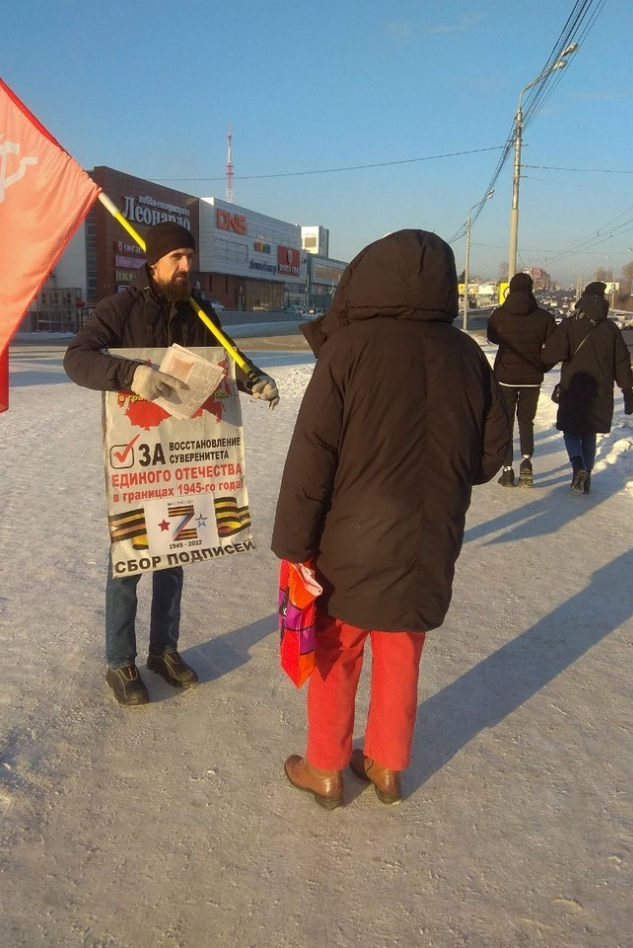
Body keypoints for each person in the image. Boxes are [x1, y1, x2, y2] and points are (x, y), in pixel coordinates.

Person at [271, 229, 510, 809]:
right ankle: (386, 764)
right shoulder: (466, 354)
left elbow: (313, 455)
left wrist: (294, 543)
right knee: (402, 648)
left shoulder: (349, 350)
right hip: (430, 536)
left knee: (338, 649)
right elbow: (488, 457)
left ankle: (326, 768)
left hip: (351, 538)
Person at [64, 220, 279, 706]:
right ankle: (120, 661)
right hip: (139, 458)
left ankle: (164, 650)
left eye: (190, 256)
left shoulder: (198, 310)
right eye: (177, 258)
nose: (187, 266)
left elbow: (229, 359)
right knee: (129, 560)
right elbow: (77, 359)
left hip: (185, 457)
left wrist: (254, 378)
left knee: (176, 555)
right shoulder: (118, 309)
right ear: (154, 262)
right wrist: (132, 374)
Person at [542, 286, 633, 494]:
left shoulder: (569, 325)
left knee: (571, 431)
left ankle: (577, 467)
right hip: (600, 391)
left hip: (573, 387)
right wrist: (627, 391)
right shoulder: (611, 329)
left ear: (583, 298)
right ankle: (588, 477)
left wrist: (538, 367)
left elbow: (551, 354)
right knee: (589, 434)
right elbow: (621, 360)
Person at [486, 272, 556, 487]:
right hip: (532, 379)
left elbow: (492, 337)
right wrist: (542, 366)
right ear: (531, 290)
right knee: (526, 422)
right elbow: (555, 346)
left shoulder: (500, 314)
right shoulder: (544, 317)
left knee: (506, 422)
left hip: (505, 377)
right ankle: (526, 463)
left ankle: (507, 470)